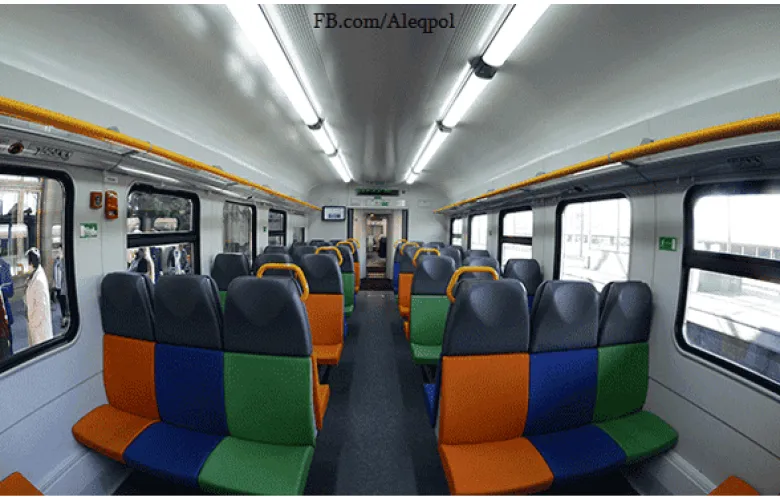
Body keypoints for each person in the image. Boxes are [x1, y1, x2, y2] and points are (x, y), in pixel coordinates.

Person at [25, 247, 53, 347]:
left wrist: (33, 323)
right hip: (35, 326)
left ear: (31, 263)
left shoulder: (39, 280)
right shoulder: (34, 275)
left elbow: (41, 306)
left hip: (39, 329)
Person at [52, 248, 70, 329]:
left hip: (64, 287)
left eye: (59, 251)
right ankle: (64, 316)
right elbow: (55, 274)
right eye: (57, 251)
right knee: (61, 302)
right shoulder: (56, 262)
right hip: (59, 286)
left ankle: (66, 317)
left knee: (65, 302)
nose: (57, 253)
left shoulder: (64, 262)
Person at [0, 256, 14, 354]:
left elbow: (10, 291)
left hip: (4, 318)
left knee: (8, 352)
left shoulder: (4, 266)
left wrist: (0, 290)